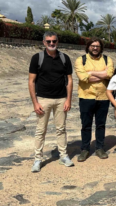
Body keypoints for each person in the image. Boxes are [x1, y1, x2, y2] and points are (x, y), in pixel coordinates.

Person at [28, 31, 74, 172]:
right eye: (49, 41)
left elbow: (70, 80)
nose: (52, 43)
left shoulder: (64, 58)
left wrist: (68, 99)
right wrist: (35, 103)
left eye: (54, 41)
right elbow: (31, 81)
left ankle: (63, 156)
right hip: (43, 99)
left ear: (57, 42)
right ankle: (38, 159)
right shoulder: (37, 58)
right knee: (41, 130)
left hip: (61, 99)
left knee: (61, 129)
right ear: (44, 42)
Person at [74, 38, 114, 162]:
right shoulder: (81, 60)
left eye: (97, 46)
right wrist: (102, 74)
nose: (95, 48)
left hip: (103, 97)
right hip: (86, 96)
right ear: (88, 47)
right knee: (86, 125)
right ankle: (85, 149)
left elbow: (110, 75)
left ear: (101, 47)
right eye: (93, 46)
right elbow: (82, 77)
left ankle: (99, 148)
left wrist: (90, 73)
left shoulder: (107, 59)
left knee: (101, 124)